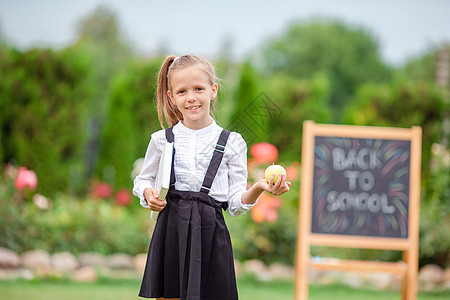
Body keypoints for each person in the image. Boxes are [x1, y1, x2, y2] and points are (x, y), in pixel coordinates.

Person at [133, 54, 290, 300]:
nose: (192, 97)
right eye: (182, 91)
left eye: (198, 89)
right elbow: (142, 180)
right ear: (171, 97)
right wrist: (147, 193)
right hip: (170, 231)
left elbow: (236, 203)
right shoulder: (161, 139)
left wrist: (259, 186)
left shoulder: (232, 143)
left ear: (213, 90)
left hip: (210, 234)